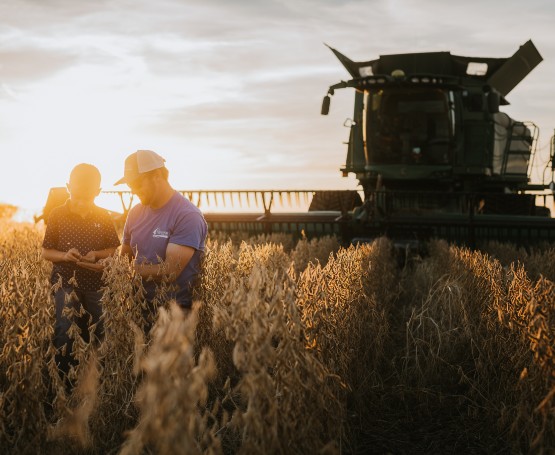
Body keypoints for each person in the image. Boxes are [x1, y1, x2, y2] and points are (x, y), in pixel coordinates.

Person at [42, 163, 120, 377]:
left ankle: (100, 379)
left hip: (97, 284)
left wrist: (96, 254)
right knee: (64, 331)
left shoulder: (104, 216)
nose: (83, 204)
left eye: (88, 198)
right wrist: (65, 256)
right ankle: (63, 379)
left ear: (98, 192)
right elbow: (47, 251)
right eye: (78, 197)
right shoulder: (57, 214)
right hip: (65, 283)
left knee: (102, 330)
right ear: (68, 187)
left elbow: (113, 248)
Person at [114, 149, 207, 327]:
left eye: (137, 184)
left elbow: (170, 271)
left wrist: (132, 271)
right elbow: (124, 258)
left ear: (157, 176)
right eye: (130, 186)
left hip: (176, 314)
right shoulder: (135, 213)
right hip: (138, 309)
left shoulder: (187, 215)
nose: (133, 191)